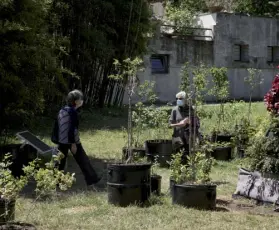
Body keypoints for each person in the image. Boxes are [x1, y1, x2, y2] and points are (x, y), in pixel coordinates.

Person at [57, 89, 101, 188]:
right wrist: (73, 144)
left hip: (62, 140)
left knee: (60, 162)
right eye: (81, 99)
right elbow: (72, 129)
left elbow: (59, 127)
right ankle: (92, 180)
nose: (82, 101)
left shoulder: (62, 110)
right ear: (76, 101)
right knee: (83, 159)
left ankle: (56, 182)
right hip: (71, 140)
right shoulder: (73, 112)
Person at [169, 91, 201, 161]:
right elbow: (169, 125)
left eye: (180, 99)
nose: (178, 100)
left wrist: (190, 121)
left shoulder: (191, 109)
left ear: (185, 99)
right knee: (179, 156)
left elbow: (197, 123)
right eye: (176, 98)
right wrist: (179, 124)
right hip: (178, 137)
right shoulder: (175, 110)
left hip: (189, 137)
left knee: (188, 156)